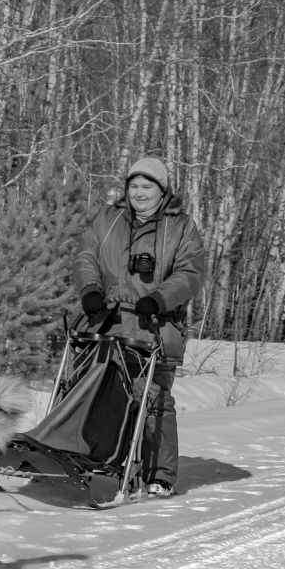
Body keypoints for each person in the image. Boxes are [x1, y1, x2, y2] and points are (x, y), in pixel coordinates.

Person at [72, 156, 205, 498]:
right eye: (134, 186)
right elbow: (86, 255)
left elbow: (190, 274)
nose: (139, 193)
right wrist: (89, 289)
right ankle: (86, 455)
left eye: (147, 186)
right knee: (85, 386)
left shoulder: (181, 227)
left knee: (154, 398)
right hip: (106, 320)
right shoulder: (108, 218)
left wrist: (160, 299)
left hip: (154, 324)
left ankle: (158, 474)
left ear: (163, 190)